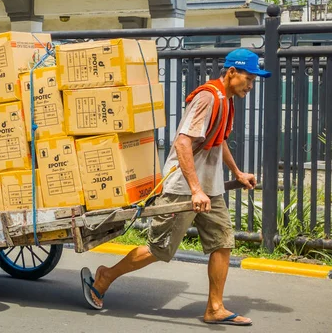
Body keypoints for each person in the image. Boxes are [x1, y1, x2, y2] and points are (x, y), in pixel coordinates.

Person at [80, 48, 271, 326]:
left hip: (209, 189)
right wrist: (195, 189)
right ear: (231, 73)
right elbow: (182, 143)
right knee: (160, 249)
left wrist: (237, 173)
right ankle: (105, 276)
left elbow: (217, 140)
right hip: (183, 186)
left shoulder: (226, 100)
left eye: (254, 81)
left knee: (222, 243)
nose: (251, 86)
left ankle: (215, 307)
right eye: (249, 79)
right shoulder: (208, 97)